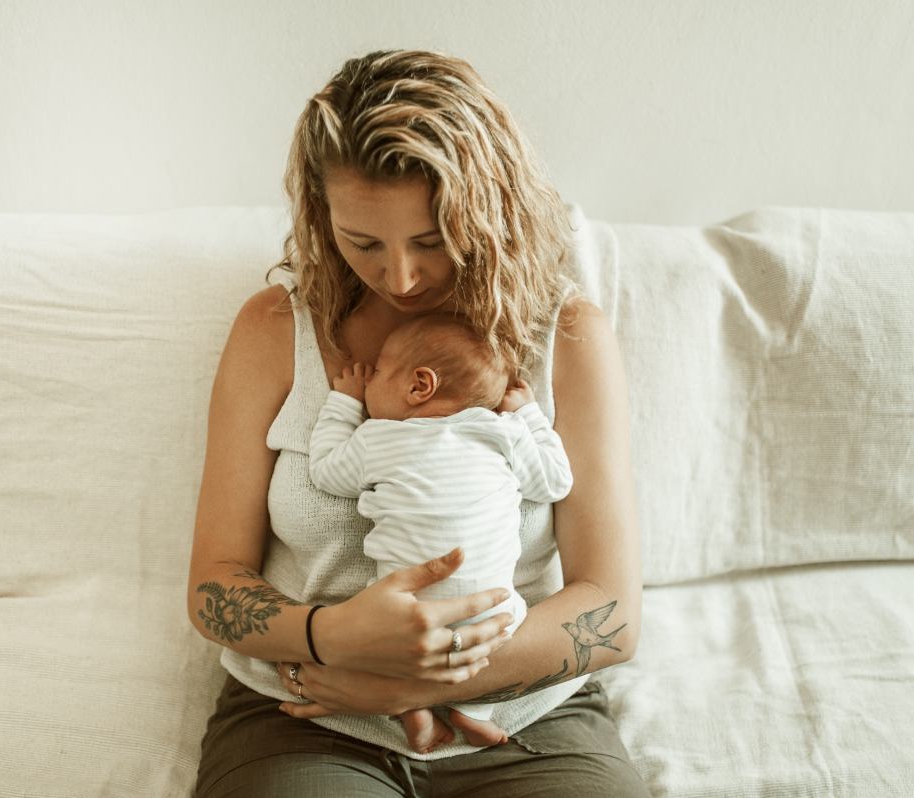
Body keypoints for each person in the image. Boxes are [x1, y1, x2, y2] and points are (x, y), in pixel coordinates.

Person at [188, 49, 649, 796]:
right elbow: (213, 585)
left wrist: (411, 683)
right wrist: (330, 638)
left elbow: (613, 610)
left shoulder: (563, 338)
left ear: (489, 211)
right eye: (362, 242)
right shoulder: (275, 329)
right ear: (318, 213)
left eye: (431, 240)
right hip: (308, 712)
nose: (399, 277)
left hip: (529, 717)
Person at [307, 313, 574, 753]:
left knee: (380, 629)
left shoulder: (379, 437)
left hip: (404, 610)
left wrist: (344, 402)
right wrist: (528, 414)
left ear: (419, 386)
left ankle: (414, 711)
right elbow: (554, 482)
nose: (368, 380)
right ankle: (474, 710)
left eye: (377, 373)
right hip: (496, 610)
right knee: (502, 629)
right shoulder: (502, 432)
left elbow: (325, 472)